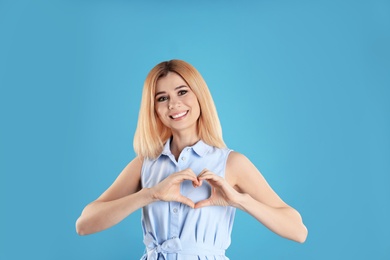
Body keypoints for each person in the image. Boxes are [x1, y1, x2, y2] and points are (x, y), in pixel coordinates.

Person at [75, 59, 308, 259]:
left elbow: (298, 231)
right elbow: (84, 224)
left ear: (199, 96)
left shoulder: (231, 163)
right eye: (162, 98)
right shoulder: (145, 164)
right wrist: (151, 194)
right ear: (154, 108)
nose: (174, 104)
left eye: (182, 92)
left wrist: (239, 200)